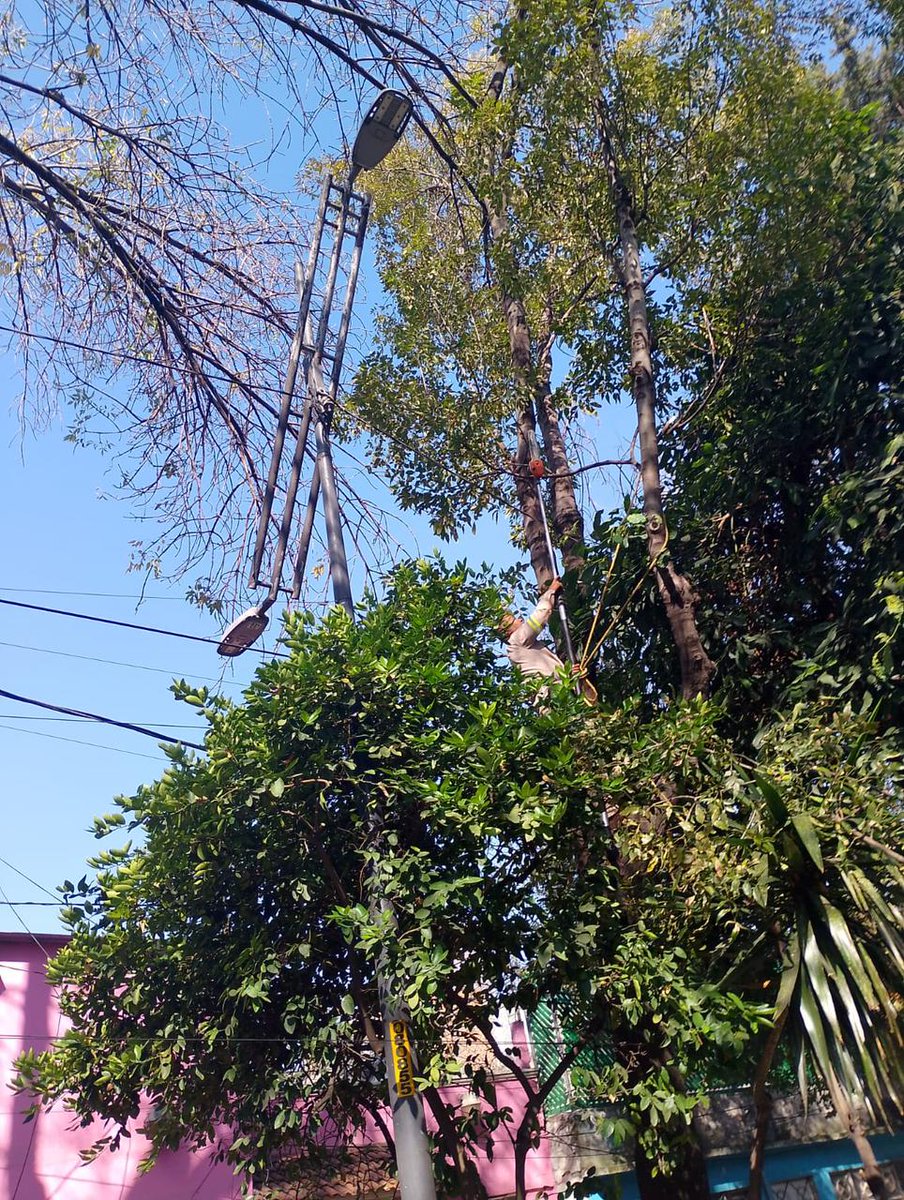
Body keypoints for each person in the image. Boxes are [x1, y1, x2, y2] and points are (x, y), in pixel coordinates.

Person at [501, 580, 597, 703]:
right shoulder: (517, 640)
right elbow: (541, 614)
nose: (520, 619)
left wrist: (569, 674)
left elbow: (546, 672)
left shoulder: (518, 651)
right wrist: (550, 592)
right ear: (507, 631)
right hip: (552, 698)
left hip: (554, 697)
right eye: (514, 620)